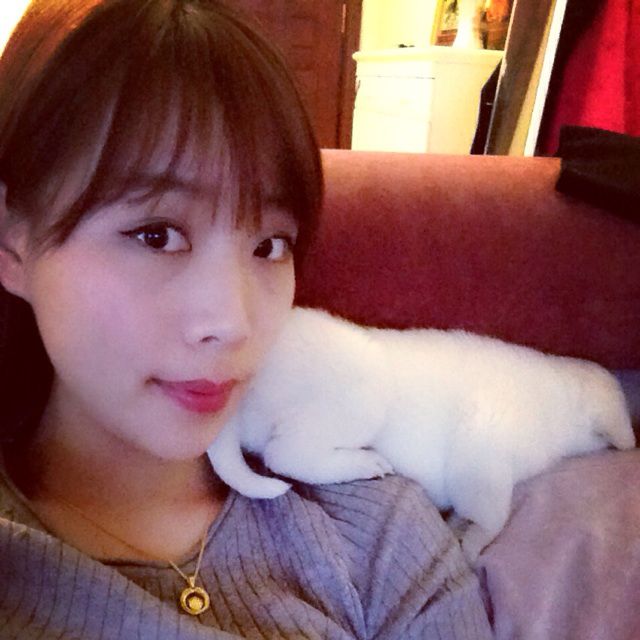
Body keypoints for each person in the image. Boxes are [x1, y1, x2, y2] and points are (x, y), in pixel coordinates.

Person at [0, 1, 493, 637]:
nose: (234, 323)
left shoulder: (379, 537)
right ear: (12, 241)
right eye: (156, 234)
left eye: (269, 245)